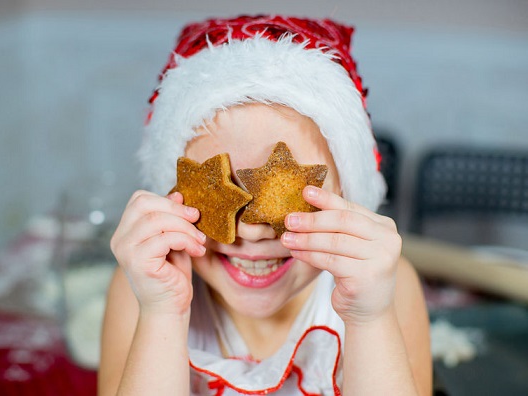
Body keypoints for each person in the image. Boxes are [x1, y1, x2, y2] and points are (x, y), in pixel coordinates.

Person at [99, 15, 431, 395]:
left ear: (348, 196)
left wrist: (371, 319)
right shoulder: (142, 291)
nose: (252, 231)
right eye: (218, 190)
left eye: (290, 193)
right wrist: (161, 313)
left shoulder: (385, 288)